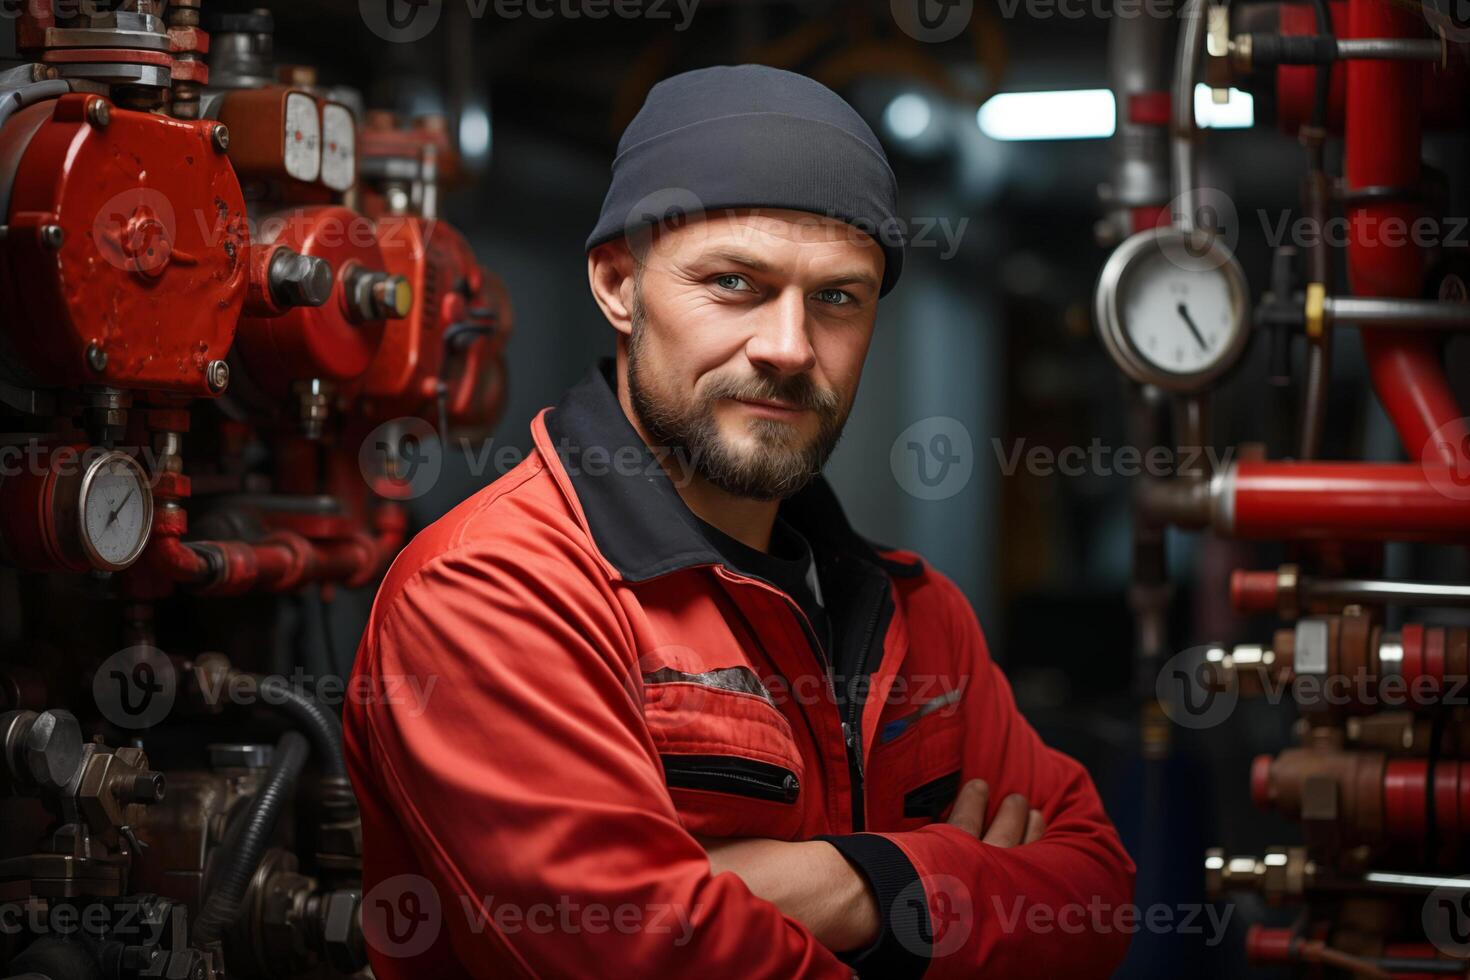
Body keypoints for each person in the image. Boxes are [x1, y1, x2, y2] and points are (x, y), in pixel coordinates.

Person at [345, 63, 1135, 979]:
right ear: (616, 284)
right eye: (734, 283)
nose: (790, 347)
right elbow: (640, 957)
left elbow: (1096, 896)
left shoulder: (921, 619)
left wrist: (858, 884)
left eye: (838, 297)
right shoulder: (495, 594)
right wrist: (960, 879)